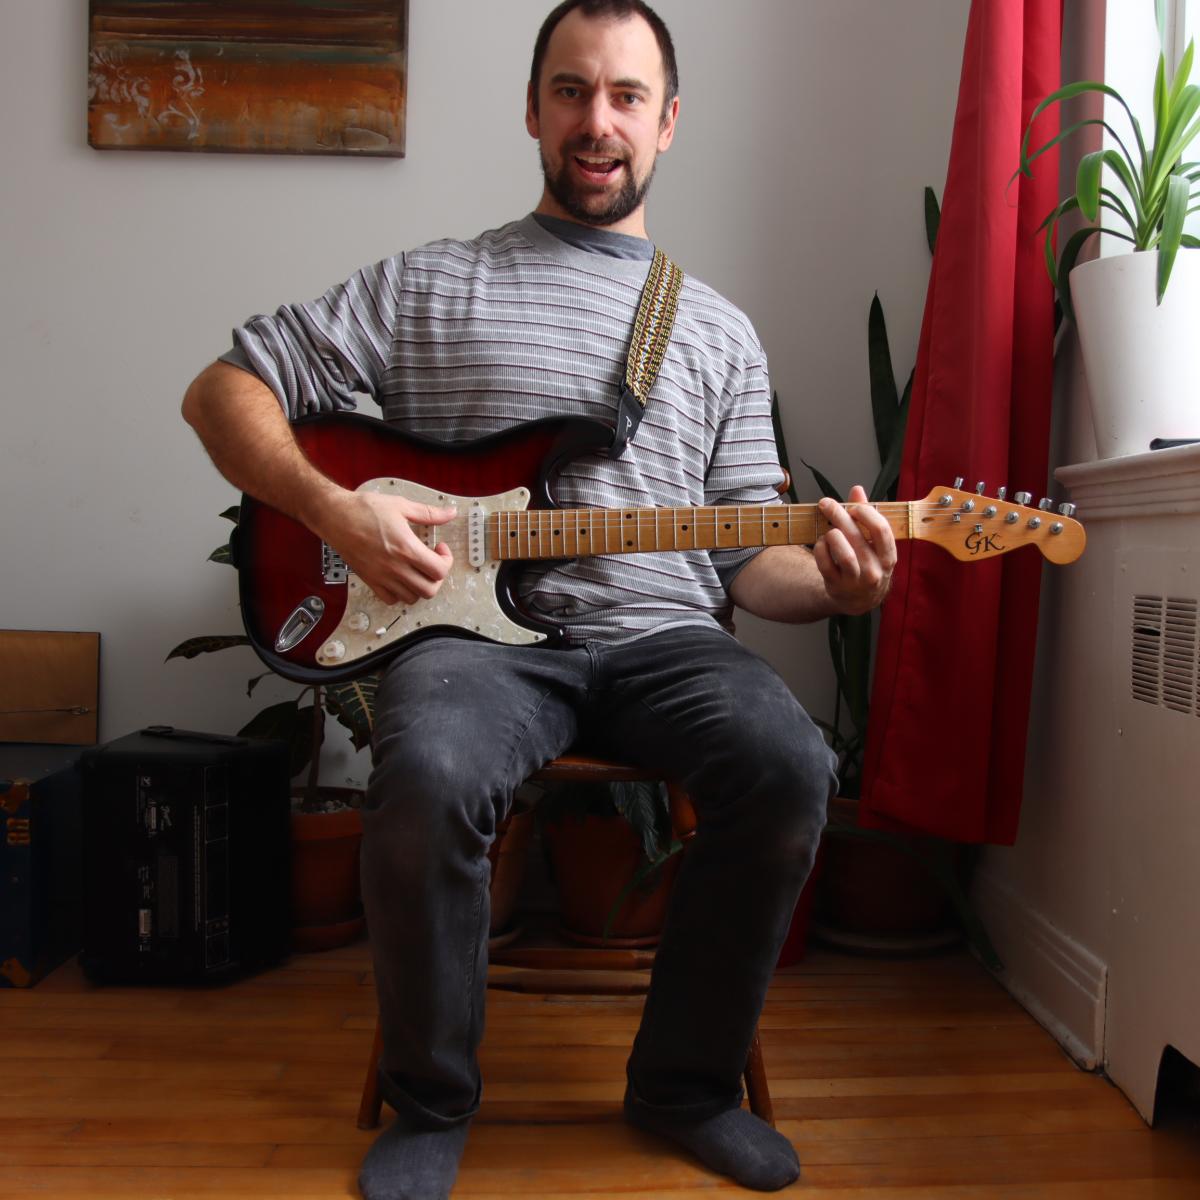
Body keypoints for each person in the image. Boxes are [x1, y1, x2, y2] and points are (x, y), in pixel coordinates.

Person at [182, 2, 896, 1196]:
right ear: (532, 111)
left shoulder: (718, 330)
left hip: (668, 640)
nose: (597, 121)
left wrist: (829, 584)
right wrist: (333, 509)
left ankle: (684, 1085)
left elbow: (744, 564)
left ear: (668, 123)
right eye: (571, 91)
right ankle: (431, 1102)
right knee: (429, 774)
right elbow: (222, 392)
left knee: (788, 763)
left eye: (625, 96)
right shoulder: (430, 287)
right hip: (479, 648)